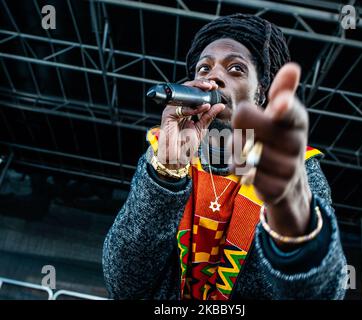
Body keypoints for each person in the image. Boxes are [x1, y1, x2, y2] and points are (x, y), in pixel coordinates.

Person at [102, 13, 347, 300]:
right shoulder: (162, 154)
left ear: (261, 94)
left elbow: (325, 295)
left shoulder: (295, 167)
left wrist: (297, 238)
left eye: (235, 69)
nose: (213, 77)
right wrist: (164, 177)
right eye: (203, 68)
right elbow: (124, 285)